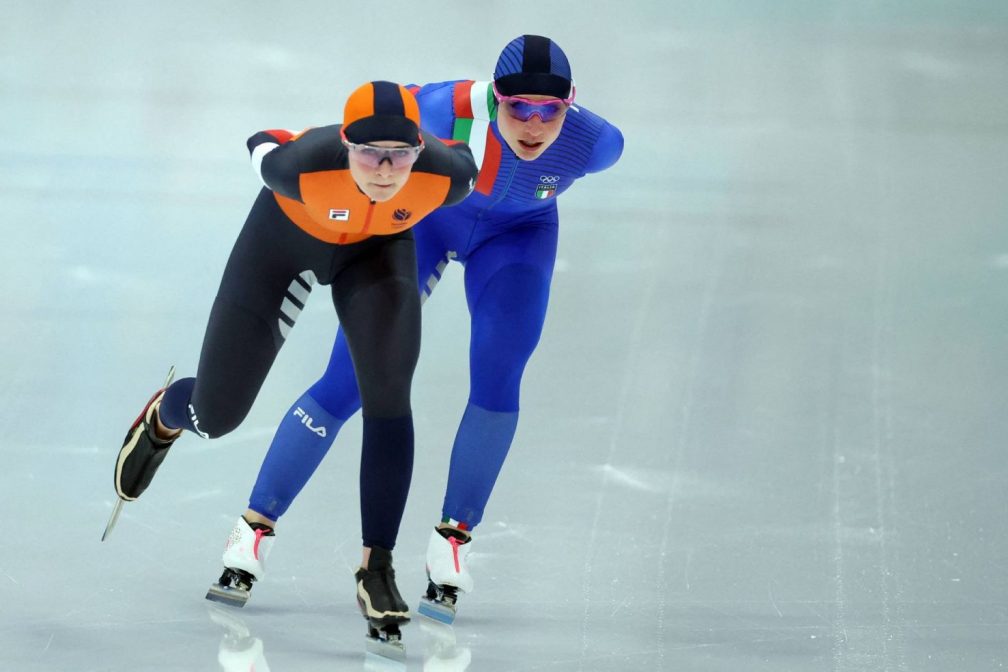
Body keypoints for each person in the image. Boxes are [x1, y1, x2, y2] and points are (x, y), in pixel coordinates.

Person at [210, 35, 624, 623]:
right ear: (494, 99)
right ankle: (255, 527)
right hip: (426, 226)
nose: (534, 125)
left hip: (518, 239)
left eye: (549, 111)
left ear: (570, 105)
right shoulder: (439, 111)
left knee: (500, 371)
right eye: (518, 109)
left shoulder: (598, 144)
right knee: (350, 378)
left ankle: (453, 540)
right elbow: (361, 132)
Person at [111, 80, 477, 653]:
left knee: (387, 395)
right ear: (345, 144)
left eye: (400, 155)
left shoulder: (446, 177)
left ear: (419, 153)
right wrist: (288, 141)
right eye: (369, 153)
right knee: (217, 416)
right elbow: (263, 140)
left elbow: (471, 153)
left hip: (374, 255)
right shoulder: (298, 166)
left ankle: (375, 568)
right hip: (281, 244)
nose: (385, 170)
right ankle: (170, 413)